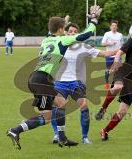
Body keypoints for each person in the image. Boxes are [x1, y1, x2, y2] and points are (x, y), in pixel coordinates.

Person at [6, 5, 102, 150]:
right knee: (47, 117)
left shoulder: (46, 40)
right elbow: (85, 35)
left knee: (61, 104)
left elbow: (53, 30)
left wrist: (63, 21)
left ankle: (62, 138)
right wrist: (94, 20)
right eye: (63, 28)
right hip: (42, 80)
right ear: (60, 29)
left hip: (38, 79)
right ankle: (15, 130)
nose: (64, 30)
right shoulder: (61, 40)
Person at [50, 22, 118, 144]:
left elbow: (105, 53)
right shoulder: (58, 44)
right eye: (70, 31)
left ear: (79, 34)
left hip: (76, 83)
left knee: (84, 106)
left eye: (75, 32)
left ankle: (85, 137)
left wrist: (125, 48)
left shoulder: (84, 47)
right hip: (59, 82)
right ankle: (57, 134)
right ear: (65, 32)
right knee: (57, 108)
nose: (72, 33)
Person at [101, 20, 123, 89]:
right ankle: (107, 82)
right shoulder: (107, 34)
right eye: (113, 25)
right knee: (109, 70)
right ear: (110, 27)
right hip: (109, 55)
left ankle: (115, 84)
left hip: (117, 55)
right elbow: (102, 43)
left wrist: (121, 52)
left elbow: (122, 45)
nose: (114, 27)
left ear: (117, 27)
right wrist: (110, 43)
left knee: (117, 69)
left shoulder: (120, 35)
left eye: (115, 26)